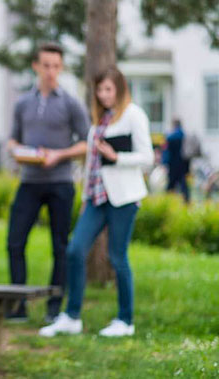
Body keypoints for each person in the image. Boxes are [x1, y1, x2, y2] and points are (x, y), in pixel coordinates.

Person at [39, 66, 154, 338]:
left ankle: (125, 321)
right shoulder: (99, 120)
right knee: (75, 250)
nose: (103, 95)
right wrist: (84, 198)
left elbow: (147, 157)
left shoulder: (133, 115)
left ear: (120, 89)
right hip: (96, 198)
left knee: (117, 256)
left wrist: (117, 158)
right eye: (100, 90)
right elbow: (91, 163)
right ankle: (71, 316)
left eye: (108, 90)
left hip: (123, 198)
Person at [6, 43, 89, 322]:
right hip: (28, 182)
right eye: (46, 65)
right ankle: (19, 306)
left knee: (60, 246)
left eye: (56, 66)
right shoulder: (22, 103)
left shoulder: (70, 102)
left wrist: (59, 155)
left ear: (61, 67)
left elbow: (88, 143)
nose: (51, 71)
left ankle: (55, 307)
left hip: (60, 183)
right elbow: (12, 140)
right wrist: (19, 152)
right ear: (36, 66)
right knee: (15, 243)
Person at [163, 119, 190, 202]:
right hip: (183, 163)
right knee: (182, 183)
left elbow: (167, 152)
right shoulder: (184, 135)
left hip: (173, 164)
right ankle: (186, 200)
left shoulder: (171, 137)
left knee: (171, 183)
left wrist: (164, 163)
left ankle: (167, 200)